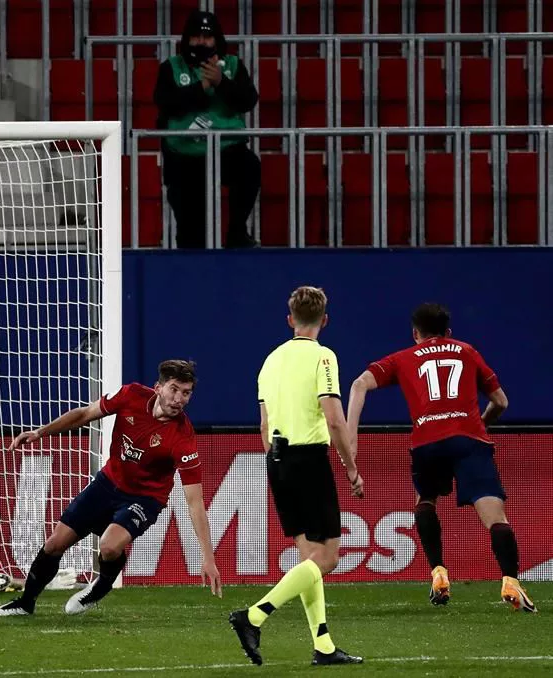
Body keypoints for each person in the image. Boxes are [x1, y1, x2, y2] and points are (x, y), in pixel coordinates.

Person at [0, 360, 222, 617]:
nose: (179, 399)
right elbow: (85, 414)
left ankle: (101, 585)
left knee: (109, 546)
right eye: (174, 389)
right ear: (158, 387)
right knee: (54, 544)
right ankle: (25, 603)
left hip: (145, 498)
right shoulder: (130, 395)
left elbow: (195, 502)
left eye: (186, 393)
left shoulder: (183, 438)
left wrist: (208, 558)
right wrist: (40, 432)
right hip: (107, 484)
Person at [346, 302, 536, 613]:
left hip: (427, 443)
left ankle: (438, 572)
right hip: (469, 440)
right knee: (494, 516)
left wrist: (350, 441)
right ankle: (510, 580)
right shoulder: (467, 351)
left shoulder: (403, 357)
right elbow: (501, 401)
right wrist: (479, 424)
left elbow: (358, 384)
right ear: (448, 332)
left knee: (425, 501)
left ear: (415, 333)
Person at [229, 287, 363, 667]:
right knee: (327, 559)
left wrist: (277, 462)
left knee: (309, 560)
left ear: (290, 319)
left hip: (276, 459)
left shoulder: (270, 361)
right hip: (308, 459)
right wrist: (351, 466)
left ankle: (323, 646)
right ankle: (253, 616)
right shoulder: (323, 357)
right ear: (325, 320)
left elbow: (263, 424)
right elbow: (334, 418)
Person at [154, 9, 261, 249]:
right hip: (184, 155)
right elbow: (165, 103)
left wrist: (221, 82)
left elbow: (248, 100)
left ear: (217, 40)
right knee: (192, 234)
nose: (201, 42)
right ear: (187, 39)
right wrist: (201, 88)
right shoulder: (170, 67)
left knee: (250, 167)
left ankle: (237, 233)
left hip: (227, 150)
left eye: (207, 37)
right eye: (196, 37)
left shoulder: (233, 64)